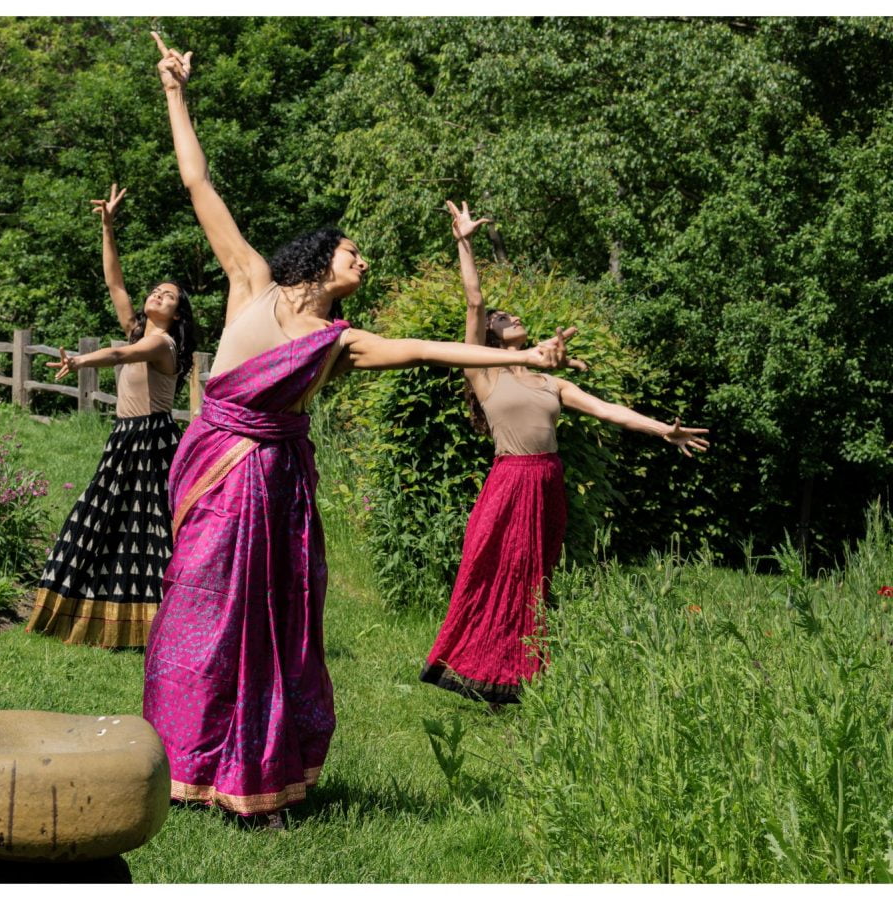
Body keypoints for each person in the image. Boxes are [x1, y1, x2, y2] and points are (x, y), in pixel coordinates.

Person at [143, 35, 579, 824]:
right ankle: (180, 761)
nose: (363, 259)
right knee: (204, 611)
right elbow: (196, 181)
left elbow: (425, 351)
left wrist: (531, 352)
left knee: (275, 622)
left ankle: (257, 774)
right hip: (217, 470)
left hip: (276, 488)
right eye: (354, 250)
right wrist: (176, 92)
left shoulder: (339, 344)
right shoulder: (252, 281)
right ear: (320, 255)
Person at [420, 200, 710, 707]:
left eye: (511, 315)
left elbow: (609, 411)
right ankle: (481, 669)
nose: (510, 317)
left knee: (534, 578)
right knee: (495, 571)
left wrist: (664, 430)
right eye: (502, 316)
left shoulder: (551, 381)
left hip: (546, 482)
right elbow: (473, 301)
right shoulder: (482, 372)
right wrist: (463, 242)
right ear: (490, 334)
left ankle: (520, 674)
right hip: (509, 482)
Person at [25, 183, 198, 648]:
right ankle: (90, 615)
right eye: (157, 292)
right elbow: (115, 282)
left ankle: (175, 624)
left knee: (152, 530)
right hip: (126, 436)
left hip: (154, 440)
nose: (159, 297)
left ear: (178, 316)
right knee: (103, 518)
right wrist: (107, 226)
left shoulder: (162, 343)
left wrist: (82, 362)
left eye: (170, 298)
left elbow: (124, 352)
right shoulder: (139, 326)